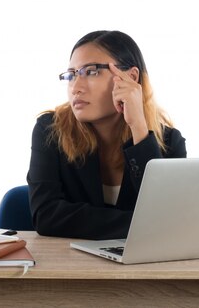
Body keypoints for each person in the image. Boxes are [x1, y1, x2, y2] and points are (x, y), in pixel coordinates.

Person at [27, 30, 187, 240]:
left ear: (130, 78)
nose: (76, 87)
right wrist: (143, 226)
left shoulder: (169, 142)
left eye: (91, 72)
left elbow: (166, 213)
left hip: (142, 267)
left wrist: (138, 127)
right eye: (72, 75)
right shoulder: (50, 130)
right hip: (70, 263)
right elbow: (46, 216)